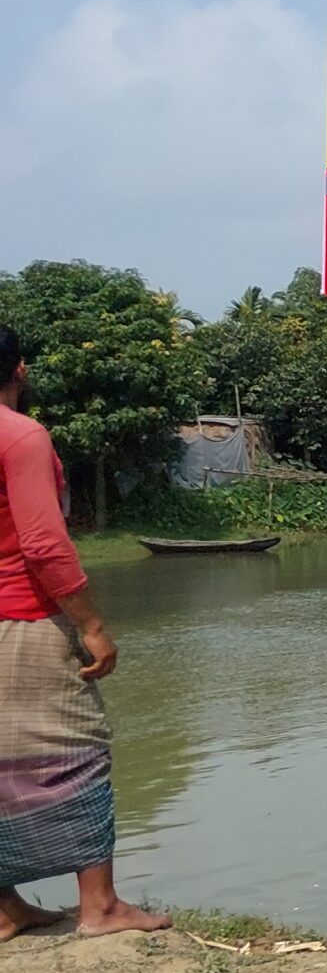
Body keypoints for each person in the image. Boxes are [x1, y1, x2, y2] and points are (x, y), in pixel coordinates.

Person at [0, 325, 170, 940]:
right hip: (21, 614)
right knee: (75, 748)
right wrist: (93, 626)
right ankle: (99, 907)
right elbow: (44, 544)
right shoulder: (20, 435)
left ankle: (4, 908)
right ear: (18, 369)